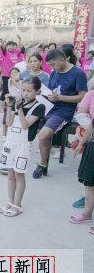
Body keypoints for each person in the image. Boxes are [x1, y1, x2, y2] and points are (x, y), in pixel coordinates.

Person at [33, 50, 87, 179]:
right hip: (49, 107)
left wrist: (60, 98)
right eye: (50, 65)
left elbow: (82, 96)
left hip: (64, 112)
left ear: (63, 59)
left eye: (53, 64)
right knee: (33, 128)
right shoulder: (54, 73)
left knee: (42, 135)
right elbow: (51, 91)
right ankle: (44, 158)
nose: (52, 67)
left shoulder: (78, 73)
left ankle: (42, 164)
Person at [0, 77, 45, 217]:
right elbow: (9, 123)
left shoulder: (39, 107)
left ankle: (17, 205)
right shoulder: (17, 103)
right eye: (23, 90)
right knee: (10, 173)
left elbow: (25, 125)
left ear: (38, 91)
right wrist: (10, 106)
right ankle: (10, 202)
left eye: (29, 91)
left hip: (23, 145)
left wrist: (19, 107)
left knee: (19, 174)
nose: (25, 93)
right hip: (10, 143)